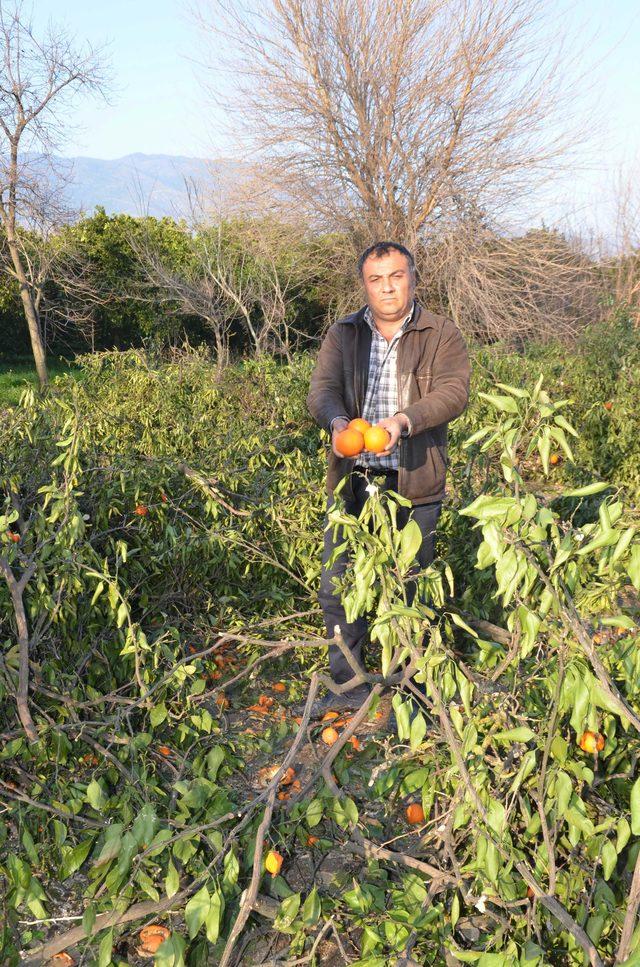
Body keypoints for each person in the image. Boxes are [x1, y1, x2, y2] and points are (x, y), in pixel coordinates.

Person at [307, 241, 471, 715]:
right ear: (365, 285)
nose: (387, 288)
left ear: (413, 278)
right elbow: (323, 390)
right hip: (352, 481)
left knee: (410, 584)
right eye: (376, 279)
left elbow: (453, 393)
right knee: (338, 583)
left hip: (414, 484)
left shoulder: (441, 334)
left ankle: (411, 689)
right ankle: (347, 685)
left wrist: (403, 421)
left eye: (396, 276)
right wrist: (337, 422)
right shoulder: (344, 334)